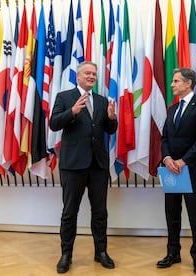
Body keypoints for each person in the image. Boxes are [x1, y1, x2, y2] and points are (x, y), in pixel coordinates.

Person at [49, 61, 117, 273]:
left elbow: (109, 129)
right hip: (73, 165)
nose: (91, 77)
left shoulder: (101, 99)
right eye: (87, 73)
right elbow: (53, 123)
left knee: (100, 212)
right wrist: (72, 112)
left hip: (97, 165)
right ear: (78, 76)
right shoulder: (64, 97)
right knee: (70, 211)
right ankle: (66, 255)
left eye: (94, 74)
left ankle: (101, 252)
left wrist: (112, 118)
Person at [157, 68, 196, 275]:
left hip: (192, 169)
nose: (172, 85)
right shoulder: (172, 109)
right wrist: (167, 158)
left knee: (194, 214)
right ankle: (173, 253)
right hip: (171, 170)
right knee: (172, 213)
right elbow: (164, 138)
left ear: (188, 83)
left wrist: (184, 160)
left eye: (175, 81)